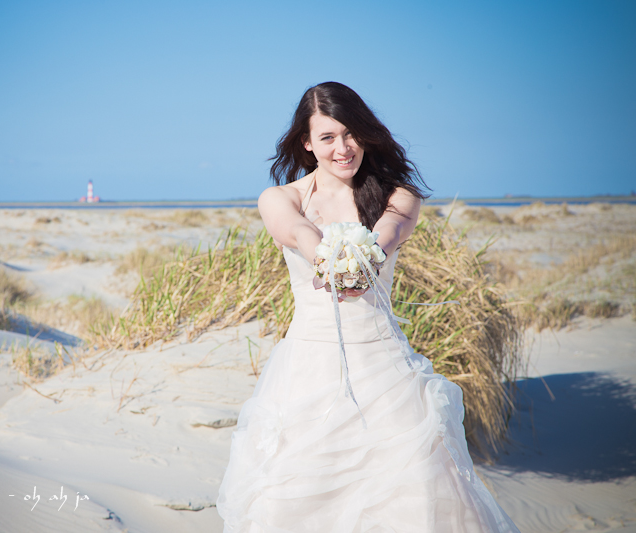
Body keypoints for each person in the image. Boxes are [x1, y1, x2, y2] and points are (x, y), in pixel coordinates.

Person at [216, 82, 519, 532]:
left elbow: (388, 235)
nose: (343, 147)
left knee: (411, 497)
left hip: (385, 370)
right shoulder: (282, 198)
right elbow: (297, 232)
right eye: (328, 137)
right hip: (308, 371)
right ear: (307, 142)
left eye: (351, 133)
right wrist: (326, 256)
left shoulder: (399, 196)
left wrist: (364, 260)